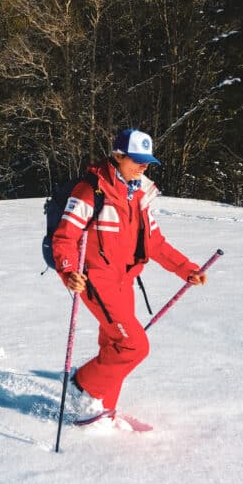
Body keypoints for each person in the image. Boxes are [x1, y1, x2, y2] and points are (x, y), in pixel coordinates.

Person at [51, 128, 204, 424]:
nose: (143, 167)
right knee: (134, 345)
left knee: (114, 345)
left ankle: (102, 409)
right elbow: (64, 237)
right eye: (137, 160)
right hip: (96, 280)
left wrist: (186, 268)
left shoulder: (140, 195)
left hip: (125, 279)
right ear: (118, 156)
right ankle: (81, 385)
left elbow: (155, 243)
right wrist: (69, 271)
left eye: (147, 162)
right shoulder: (91, 190)